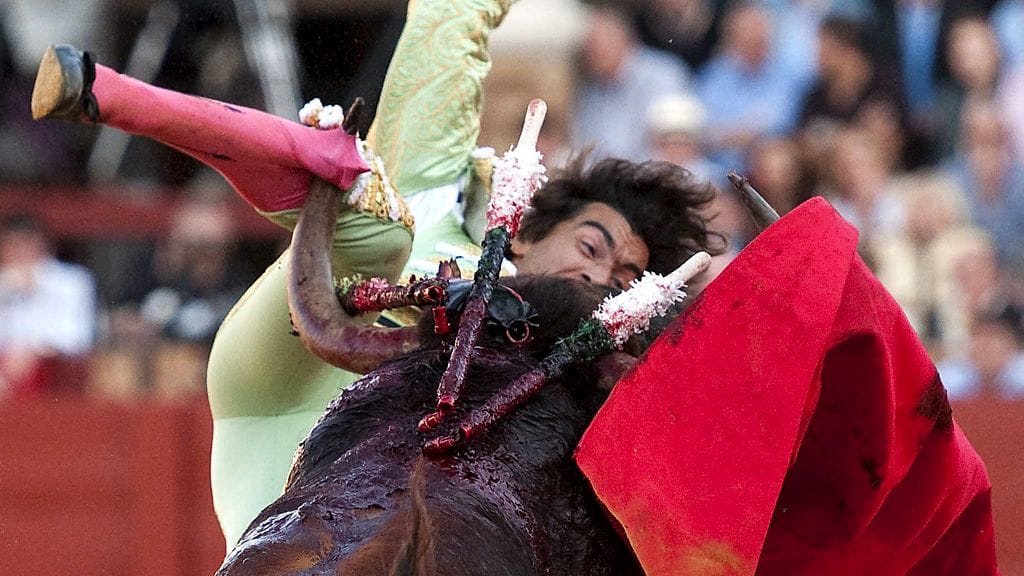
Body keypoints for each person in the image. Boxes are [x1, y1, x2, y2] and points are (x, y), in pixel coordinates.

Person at [31, 0, 721, 548]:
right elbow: (449, 17)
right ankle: (115, 97)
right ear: (530, 229)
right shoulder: (442, 199)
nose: (599, 276)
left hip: (393, 496)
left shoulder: (593, 372)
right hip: (295, 391)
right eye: (592, 246)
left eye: (625, 277)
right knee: (380, 228)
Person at [0, 213, 96, 399]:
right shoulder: (3, 282)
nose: (20, 252)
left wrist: (33, 349)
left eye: (26, 244)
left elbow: (77, 337)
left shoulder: (72, 282)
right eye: (12, 245)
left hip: (53, 371)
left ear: (43, 245)